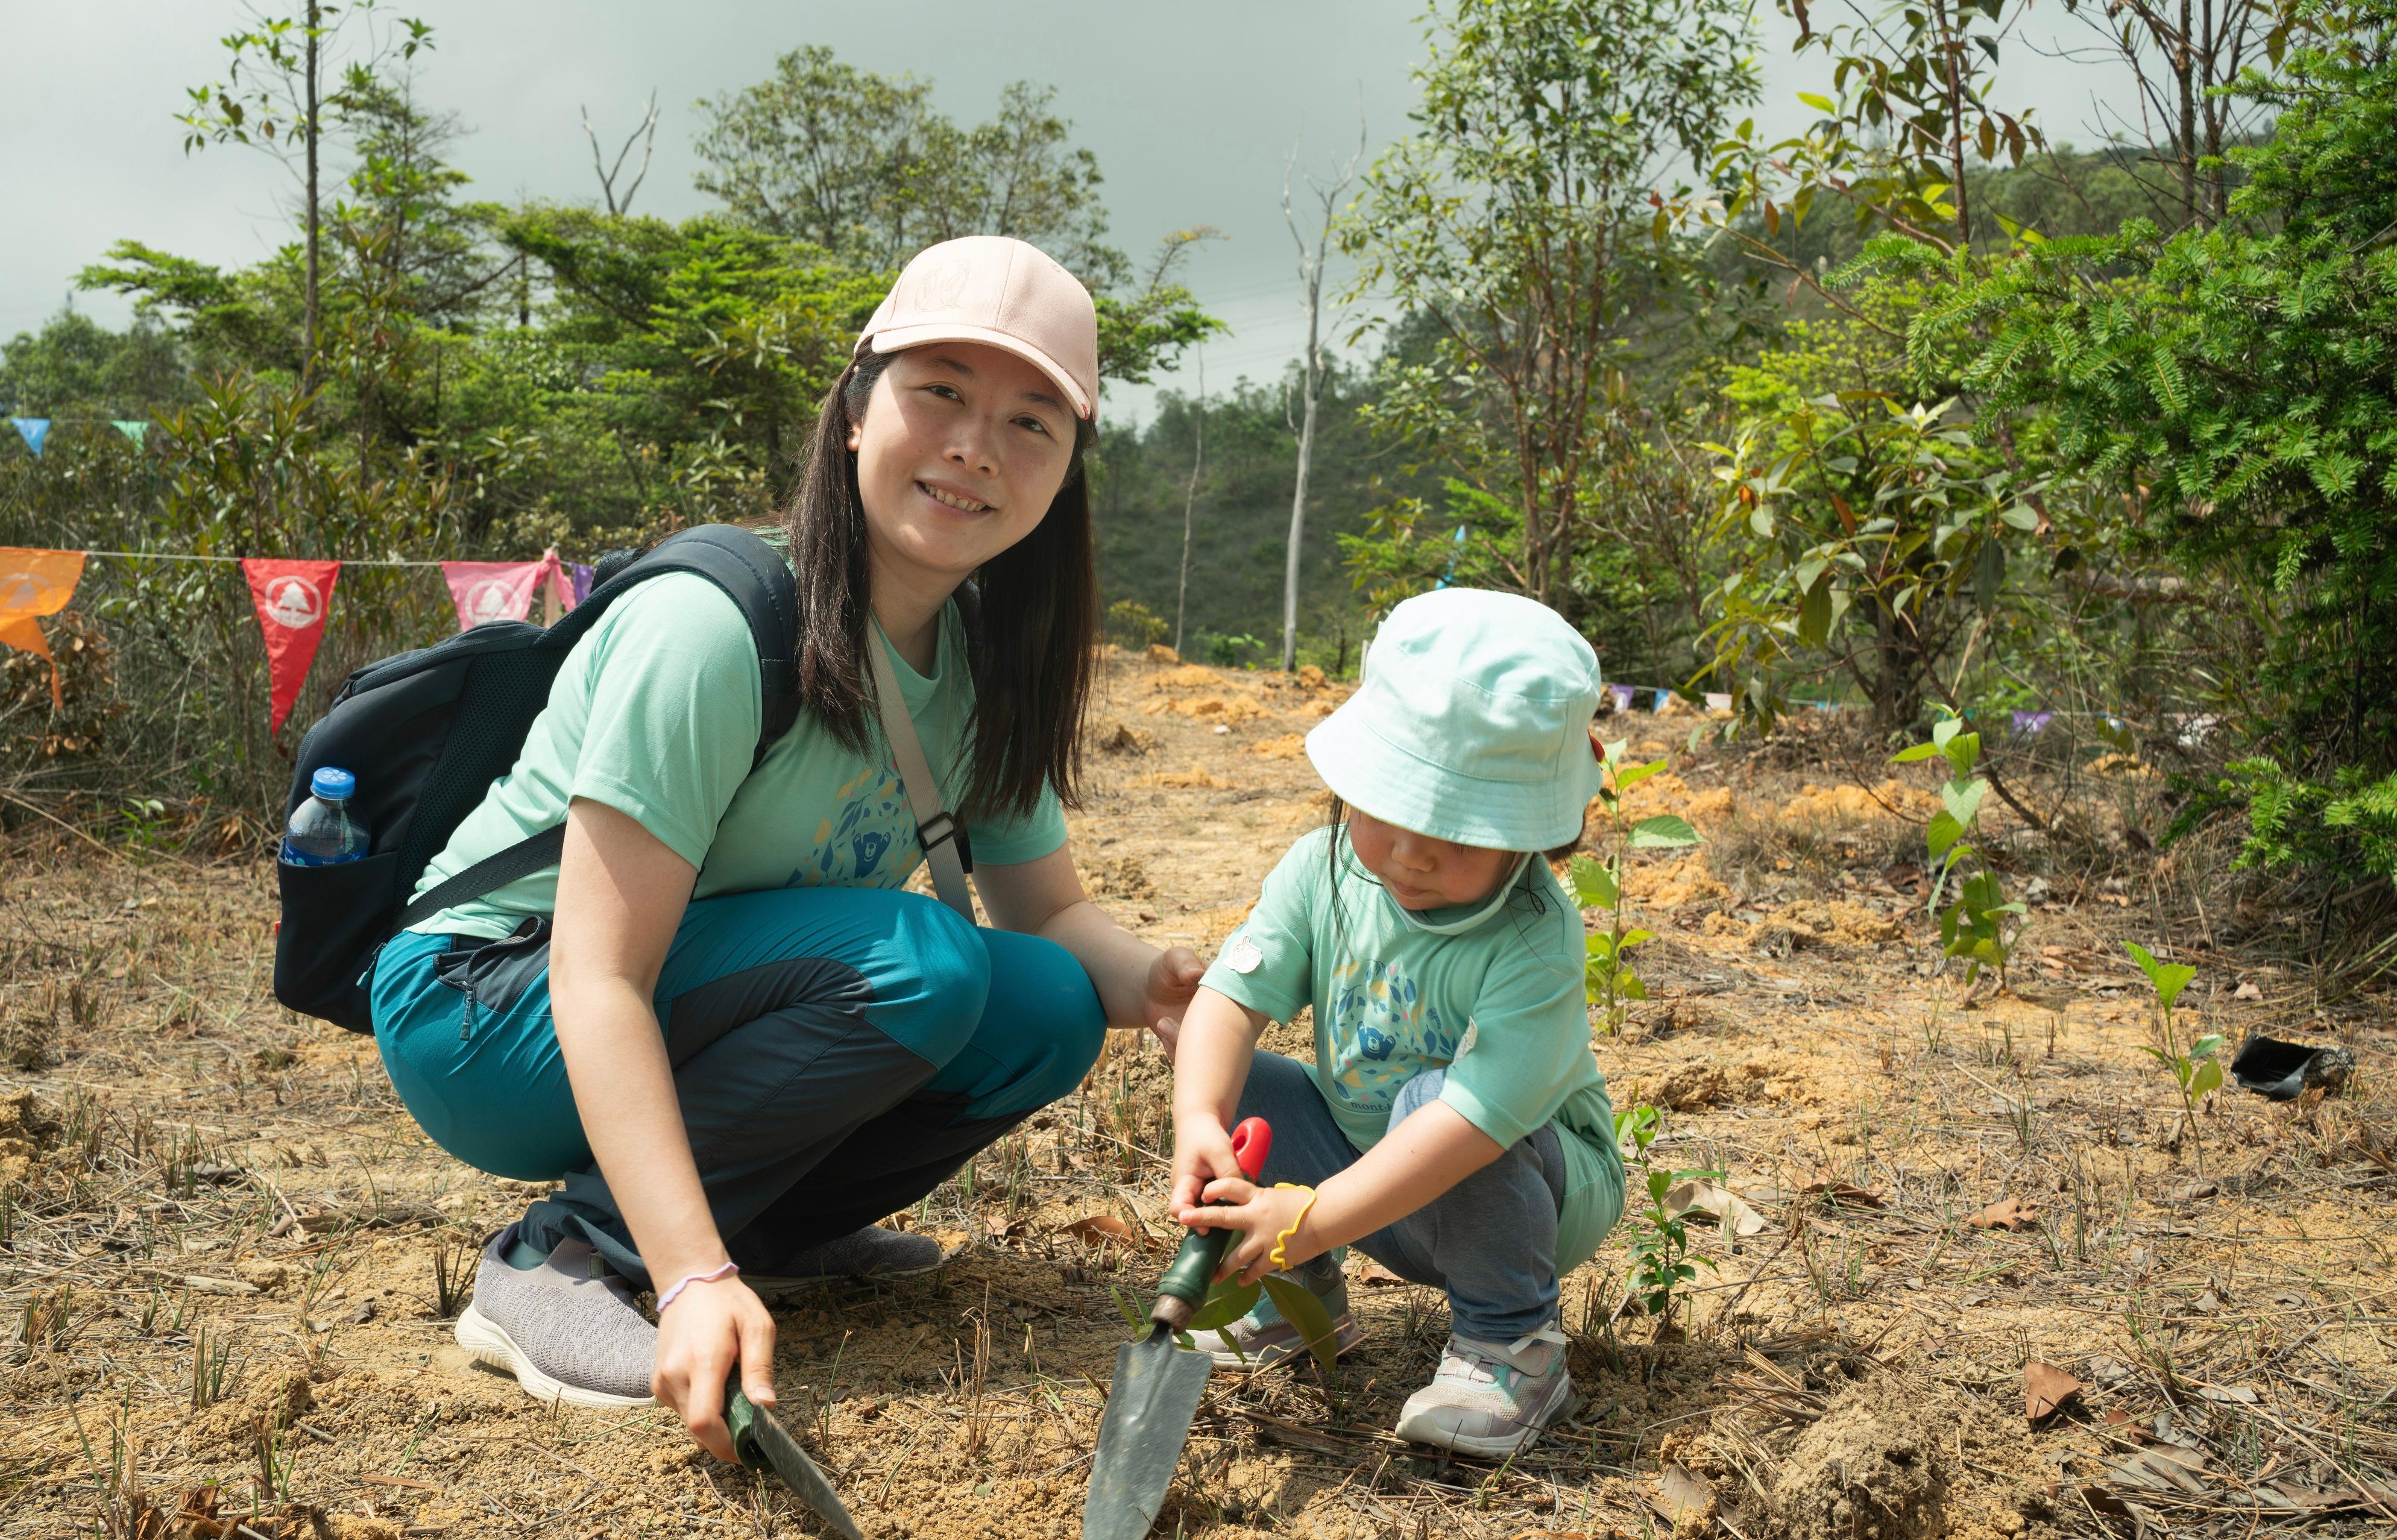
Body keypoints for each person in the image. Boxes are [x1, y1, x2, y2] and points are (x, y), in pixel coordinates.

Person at [370, 236, 1200, 1460]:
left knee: (1046, 1005)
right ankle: (573, 1254)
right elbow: (596, 977)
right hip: (490, 1006)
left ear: (1068, 471)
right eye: (941, 395)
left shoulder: (975, 662)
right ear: (857, 410)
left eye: (1032, 422)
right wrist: (690, 1278)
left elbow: (1046, 915)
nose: (977, 446)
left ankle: (763, 1229)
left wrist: (1160, 987)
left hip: (692, 999)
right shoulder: (713, 629)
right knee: (920, 958)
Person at [1167, 588, 1627, 1457]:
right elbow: (1227, 1002)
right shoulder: (1325, 871)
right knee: (1236, 1078)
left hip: (1525, 1184)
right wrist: (1199, 1122)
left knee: (1433, 1103)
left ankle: (1512, 1343)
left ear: (1533, 835)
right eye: (1390, 811)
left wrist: (1302, 1214)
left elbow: (1464, 1130)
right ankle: (1293, 1299)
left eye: (1457, 829)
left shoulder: (1535, 938)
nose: (1412, 853)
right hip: (1364, 1168)